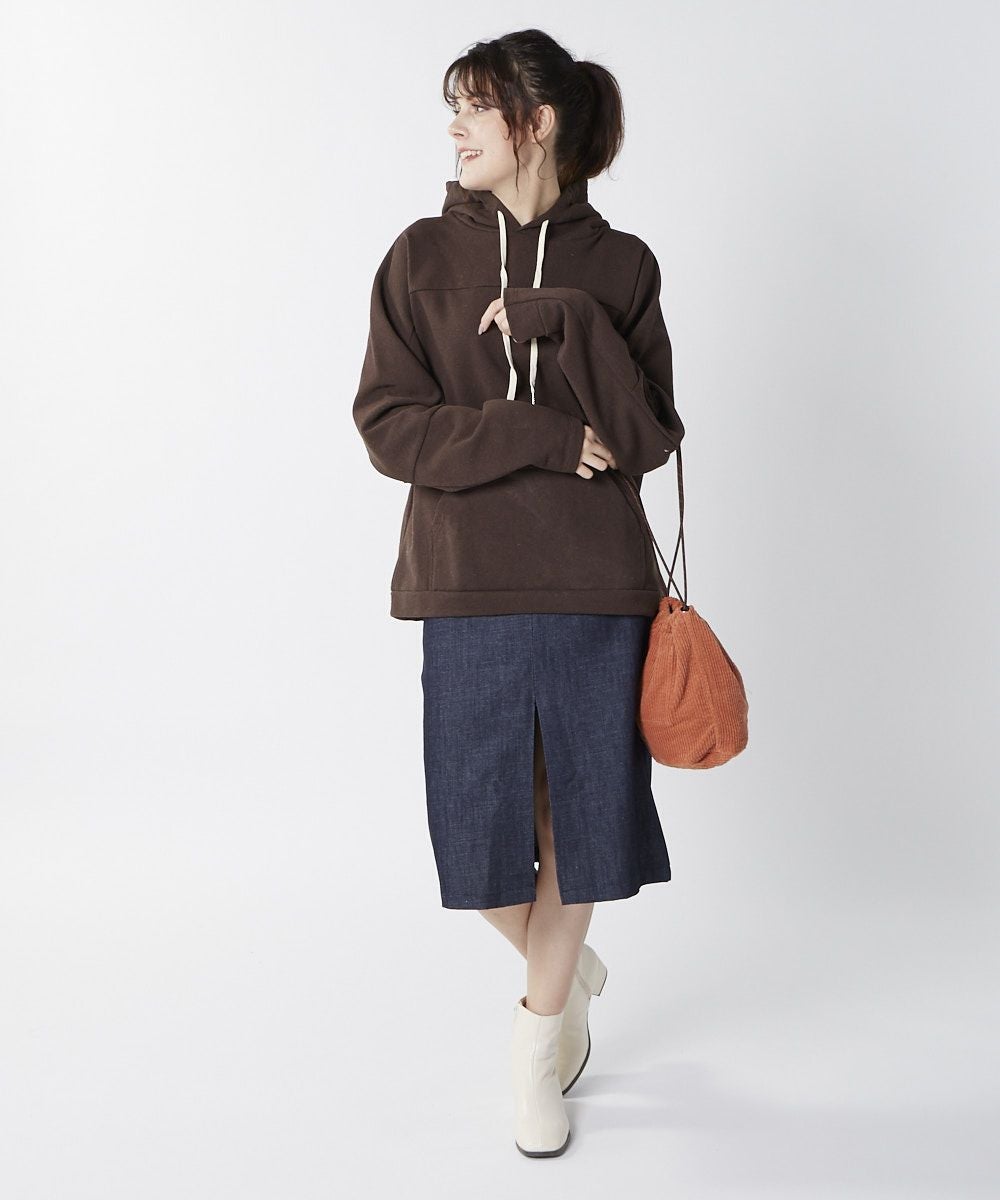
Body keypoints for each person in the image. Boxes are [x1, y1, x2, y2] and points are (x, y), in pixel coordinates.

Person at [352, 28, 685, 1157]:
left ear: (533, 124)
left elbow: (648, 438)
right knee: (477, 827)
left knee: (577, 818)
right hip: (466, 577)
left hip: (595, 580)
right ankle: (565, 965)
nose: (453, 128)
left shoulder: (621, 266)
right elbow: (389, 428)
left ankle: (540, 1045)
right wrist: (535, 435)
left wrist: (570, 321)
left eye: (473, 107)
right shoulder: (417, 257)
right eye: (452, 107)